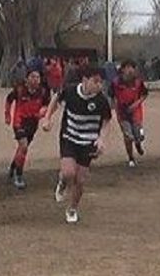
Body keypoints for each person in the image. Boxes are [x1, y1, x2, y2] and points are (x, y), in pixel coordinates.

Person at [41, 66, 112, 224]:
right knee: (68, 172)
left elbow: (107, 121)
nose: (99, 85)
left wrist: (101, 139)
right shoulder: (71, 91)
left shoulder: (101, 100)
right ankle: (62, 182)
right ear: (85, 80)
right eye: (96, 81)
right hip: (70, 137)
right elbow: (56, 99)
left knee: (80, 180)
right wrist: (47, 118)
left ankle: (72, 208)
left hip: (88, 142)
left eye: (101, 82)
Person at [4, 70, 51, 189]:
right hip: (19, 122)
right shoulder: (20, 90)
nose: (35, 79)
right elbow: (9, 100)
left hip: (33, 123)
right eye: (32, 77)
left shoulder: (43, 92)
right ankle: (19, 175)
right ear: (27, 79)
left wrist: (44, 111)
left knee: (22, 148)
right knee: (23, 146)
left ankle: (13, 166)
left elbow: (47, 105)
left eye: (37, 77)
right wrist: (7, 115)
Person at [109, 60, 149, 168]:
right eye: (127, 67)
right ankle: (131, 158)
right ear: (122, 70)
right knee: (128, 136)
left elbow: (144, 95)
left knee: (139, 135)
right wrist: (115, 107)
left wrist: (136, 104)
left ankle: (138, 143)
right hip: (122, 113)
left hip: (135, 112)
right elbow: (111, 95)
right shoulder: (116, 82)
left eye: (132, 67)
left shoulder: (138, 82)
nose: (130, 70)